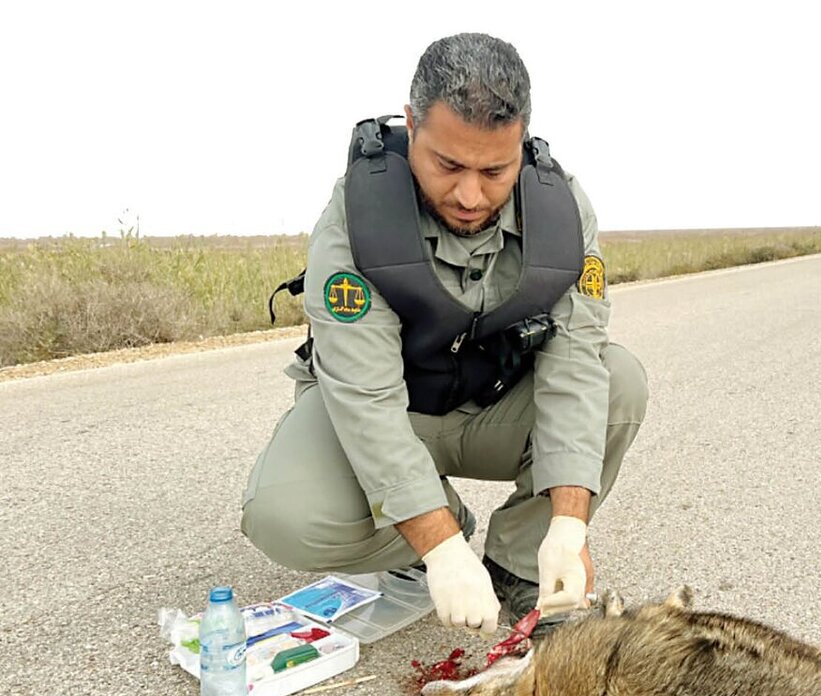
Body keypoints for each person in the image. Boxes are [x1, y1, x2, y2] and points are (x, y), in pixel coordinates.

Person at [241, 33, 648, 637]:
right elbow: (364, 397)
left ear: (523, 142)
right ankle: (426, 538)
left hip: (491, 405)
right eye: (448, 165)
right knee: (285, 515)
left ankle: (517, 563)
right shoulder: (359, 216)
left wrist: (568, 524)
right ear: (411, 127)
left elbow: (576, 366)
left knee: (620, 381)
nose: (469, 195)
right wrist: (438, 543)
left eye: (494, 170)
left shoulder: (562, 212)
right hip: (386, 411)